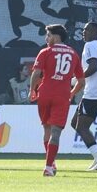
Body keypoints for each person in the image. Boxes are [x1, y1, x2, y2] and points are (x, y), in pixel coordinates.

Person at [28, 24, 82, 177]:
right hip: (62, 95)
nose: (46, 39)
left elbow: (36, 74)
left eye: (48, 35)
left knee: (46, 129)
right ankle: (48, 167)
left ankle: (51, 162)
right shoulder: (73, 54)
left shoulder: (45, 52)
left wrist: (32, 90)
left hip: (45, 94)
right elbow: (81, 81)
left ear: (56, 36)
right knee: (56, 132)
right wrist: (71, 94)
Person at [70, 21, 97, 171]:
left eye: (86, 30)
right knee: (75, 123)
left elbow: (93, 67)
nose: (83, 32)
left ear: (94, 32)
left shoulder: (90, 46)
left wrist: (77, 79)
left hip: (93, 93)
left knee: (81, 127)